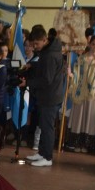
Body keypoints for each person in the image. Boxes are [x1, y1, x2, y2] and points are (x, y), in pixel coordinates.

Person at [23, 26, 65, 167]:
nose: (34, 47)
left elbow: (47, 79)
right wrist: (33, 67)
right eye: (32, 44)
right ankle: (41, 153)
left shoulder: (50, 55)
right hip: (47, 95)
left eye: (36, 44)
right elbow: (45, 70)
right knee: (43, 126)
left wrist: (28, 82)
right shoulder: (47, 51)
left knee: (47, 128)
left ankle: (47, 157)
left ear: (44, 39)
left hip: (50, 96)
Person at [67, 35, 95, 152]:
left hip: (93, 92)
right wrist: (70, 74)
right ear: (89, 44)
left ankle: (86, 144)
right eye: (93, 44)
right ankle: (75, 142)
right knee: (79, 115)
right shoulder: (81, 58)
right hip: (80, 90)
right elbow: (76, 74)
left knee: (90, 116)